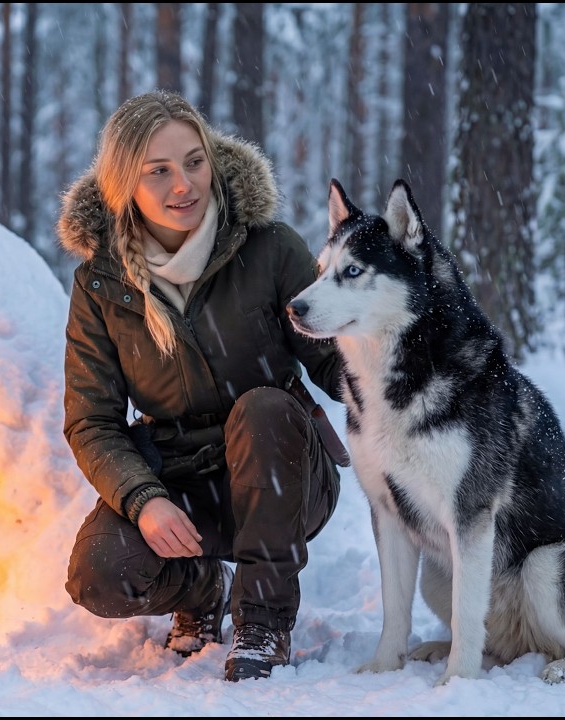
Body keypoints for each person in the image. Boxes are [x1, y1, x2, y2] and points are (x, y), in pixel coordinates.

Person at [55, 89, 350, 682]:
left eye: (194, 161)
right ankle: (200, 587)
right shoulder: (101, 284)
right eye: (157, 171)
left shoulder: (267, 247)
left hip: (283, 471)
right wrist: (143, 499)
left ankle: (263, 621)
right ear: (123, 185)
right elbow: (92, 419)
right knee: (100, 574)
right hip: (180, 480)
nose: (183, 184)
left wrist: (399, 359)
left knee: (263, 409)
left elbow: (332, 361)